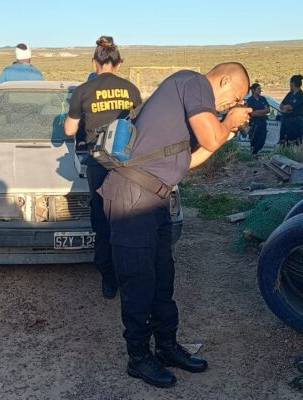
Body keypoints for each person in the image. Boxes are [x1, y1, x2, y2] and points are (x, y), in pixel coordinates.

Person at [97, 63, 251, 388]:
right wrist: (228, 122)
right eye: (234, 97)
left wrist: (227, 129)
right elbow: (211, 134)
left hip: (154, 199)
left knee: (162, 280)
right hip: (132, 197)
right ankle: (138, 358)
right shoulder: (193, 82)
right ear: (224, 80)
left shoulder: (185, 109)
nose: (231, 105)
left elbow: (193, 157)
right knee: (140, 284)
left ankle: (166, 347)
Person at [64, 36, 142, 300]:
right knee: (127, 219)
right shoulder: (131, 89)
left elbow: (69, 129)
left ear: (94, 62)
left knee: (102, 221)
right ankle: (130, 275)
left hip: (98, 163)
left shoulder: (83, 90)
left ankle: (109, 281)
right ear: (118, 63)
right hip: (127, 164)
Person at [279, 74, 303, 145]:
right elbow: (281, 105)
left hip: (295, 123)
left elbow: (291, 107)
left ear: (292, 83)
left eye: (290, 83)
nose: (289, 85)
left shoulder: (300, 95)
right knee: (284, 142)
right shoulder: (290, 94)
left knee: (294, 143)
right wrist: (285, 108)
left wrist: (286, 108)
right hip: (286, 122)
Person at [246, 82, 270, 154]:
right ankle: (253, 154)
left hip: (263, 123)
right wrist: (262, 112)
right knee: (254, 140)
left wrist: (258, 111)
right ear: (253, 90)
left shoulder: (262, 98)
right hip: (254, 123)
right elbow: (252, 114)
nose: (260, 90)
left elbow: (268, 110)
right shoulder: (250, 100)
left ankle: (257, 152)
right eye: (258, 89)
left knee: (262, 139)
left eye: (260, 89)